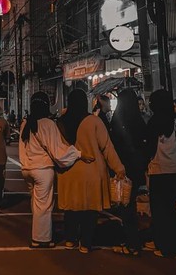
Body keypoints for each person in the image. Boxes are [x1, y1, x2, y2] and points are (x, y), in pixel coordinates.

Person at [57, 89, 126, 253]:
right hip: (92, 171)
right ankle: (86, 243)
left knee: (71, 208)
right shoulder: (94, 122)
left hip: (68, 173)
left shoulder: (60, 123)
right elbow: (107, 147)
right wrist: (118, 168)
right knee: (90, 209)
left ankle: (70, 239)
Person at [19, 90, 84, 248]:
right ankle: (41, 239)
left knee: (36, 203)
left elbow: (22, 149)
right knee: (44, 205)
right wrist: (79, 153)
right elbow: (58, 151)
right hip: (42, 169)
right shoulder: (48, 124)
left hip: (27, 168)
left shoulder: (25, 123)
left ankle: (38, 234)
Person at [145, 89, 176, 257]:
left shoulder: (156, 121)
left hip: (161, 170)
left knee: (160, 211)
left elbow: (150, 146)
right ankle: (170, 243)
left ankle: (166, 246)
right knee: (170, 210)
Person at [109, 87, 149, 256]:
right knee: (130, 204)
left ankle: (131, 243)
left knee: (125, 205)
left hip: (122, 168)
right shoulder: (139, 121)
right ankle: (133, 240)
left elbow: (114, 144)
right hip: (137, 168)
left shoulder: (118, 120)